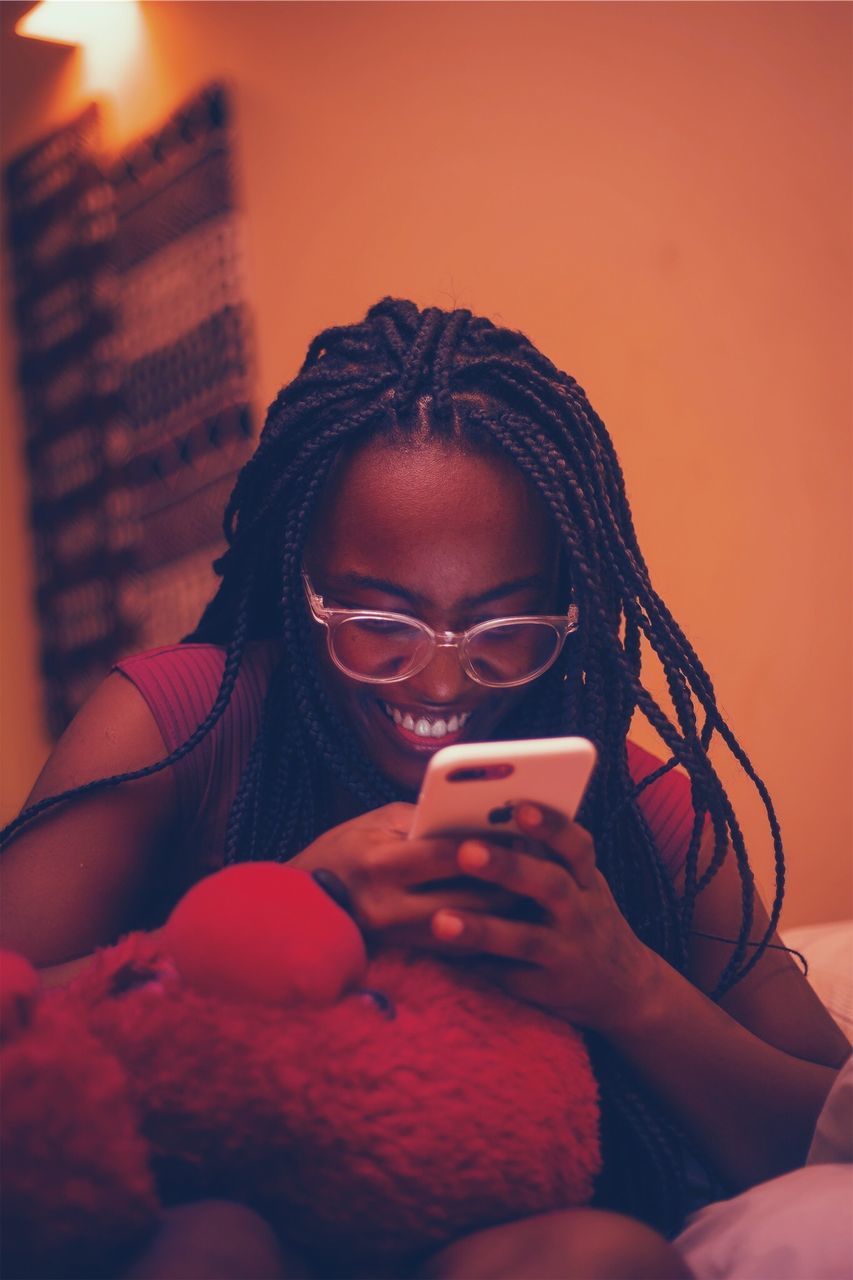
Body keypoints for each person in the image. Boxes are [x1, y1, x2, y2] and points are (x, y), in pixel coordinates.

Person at [1, 298, 848, 1280]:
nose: (440, 685)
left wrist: (631, 988)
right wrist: (291, 909)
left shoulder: (632, 801)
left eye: (500, 627)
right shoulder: (183, 721)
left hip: (481, 1233)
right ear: (298, 580)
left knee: (602, 1257)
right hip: (215, 1208)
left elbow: (830, 1127)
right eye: (377, 617)